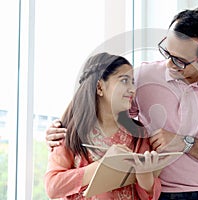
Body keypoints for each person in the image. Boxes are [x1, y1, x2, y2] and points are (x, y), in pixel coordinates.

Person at [46, 8, 198, 200]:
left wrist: (186, 142)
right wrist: (61, 126)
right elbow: (99, 99)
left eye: (180, 60)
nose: (170, 64)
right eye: (167, 52)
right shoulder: (144, 76)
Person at [44, 52, 162, 199]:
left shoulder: (138, 134)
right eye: (124, 81)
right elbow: (53, 187)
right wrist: (104, 166)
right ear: (100, 87)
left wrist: (146, 179)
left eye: (133, 82)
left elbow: (151, 196)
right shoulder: (68, 131)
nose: (132, 89)